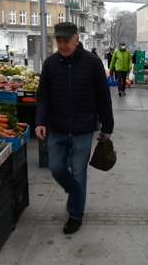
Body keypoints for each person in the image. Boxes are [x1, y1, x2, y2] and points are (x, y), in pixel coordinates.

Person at [35, 22, 114, 234]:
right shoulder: (50, 64)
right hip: (58, 126)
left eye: (66, 41)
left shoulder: (93, 62)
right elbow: (43, 96)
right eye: (58, 41)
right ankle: (75, 191)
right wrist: (40, 121)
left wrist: (108, 126)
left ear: (77, 39)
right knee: (56, 167)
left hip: (83, 128)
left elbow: (103, 96)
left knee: (79, 174)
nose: (62, 45)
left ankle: (75, 214)